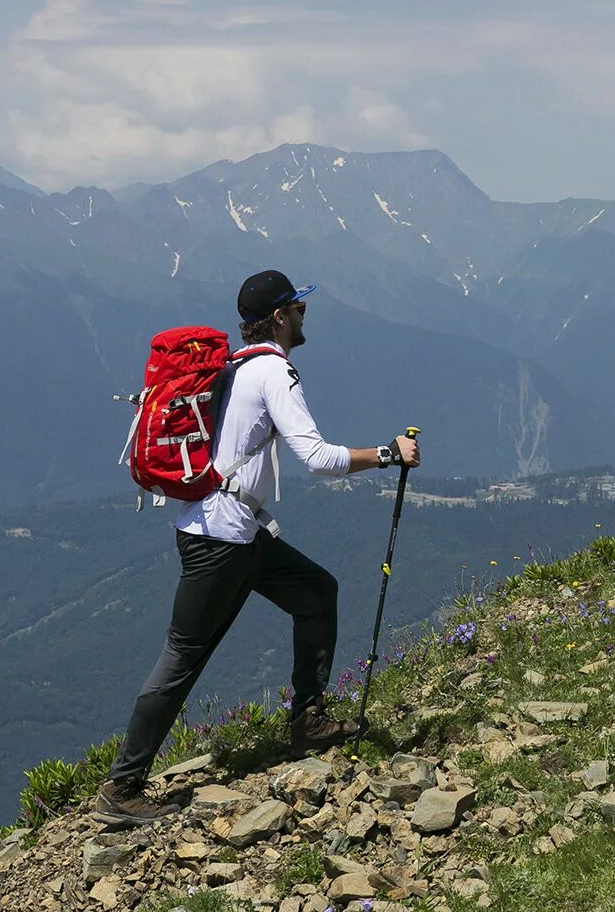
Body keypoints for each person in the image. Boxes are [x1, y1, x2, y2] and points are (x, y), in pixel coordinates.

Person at [94, 269, 421, 827]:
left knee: (316, 591)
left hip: (232, 529)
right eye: (297, 307)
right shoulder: (272, 371)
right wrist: (388, 453)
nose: (304, 314)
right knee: (181, 659)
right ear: (277, 318)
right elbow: (317, 459)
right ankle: (123, 787)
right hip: (221, 540)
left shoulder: (234, 366)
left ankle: (308, 720)